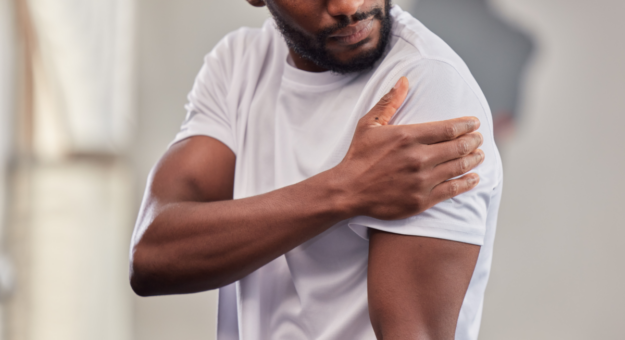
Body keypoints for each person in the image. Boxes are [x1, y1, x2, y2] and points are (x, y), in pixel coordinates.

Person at [129, 0, 503, 339]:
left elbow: (413, 333)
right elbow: (152, 257)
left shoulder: (427, 87)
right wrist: (345, 190)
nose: (349, 5)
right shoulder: (238, 62)